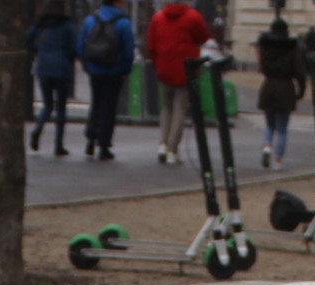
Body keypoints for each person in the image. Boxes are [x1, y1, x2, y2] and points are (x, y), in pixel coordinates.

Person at [147, 0, 210, 164]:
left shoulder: (158, 18)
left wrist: (158, 64)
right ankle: (172, 149)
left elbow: (151, 45)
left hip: (164, 68)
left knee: (166, 106)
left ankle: (162, 142)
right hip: (185, 68)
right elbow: (203, 37)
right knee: (179, 108)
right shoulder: (192, 17)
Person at [78, 0, 134, 160]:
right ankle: (104, 144)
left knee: (96, 103)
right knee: (109, 106)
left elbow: (81, 45)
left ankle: (90, 137)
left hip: (95, 69)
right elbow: (128, 49)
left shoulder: (90, 20)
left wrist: (87, 66)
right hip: (114, 70)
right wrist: (125, 69)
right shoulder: (123, 22)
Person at [26, 5, 77, 155]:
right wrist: (68, 58)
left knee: (47, 105)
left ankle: (38, 129)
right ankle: (58, 144)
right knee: (61, 108)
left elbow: (27, 38)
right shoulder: (67, 26)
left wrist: (38, 51)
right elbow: (74, 48)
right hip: (62, 69)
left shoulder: (41, 24)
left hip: (43, 68)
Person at [255, 16, 302, 167]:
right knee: (282, 128)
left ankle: (267, 145)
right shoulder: (291, 47)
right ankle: (278, 159)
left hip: (268, 85)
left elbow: (261, 67)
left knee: (269, 125)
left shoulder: (265, 46)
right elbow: (300, 71)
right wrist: (301, 89)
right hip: (286, 87)